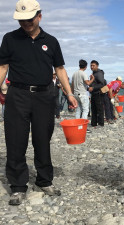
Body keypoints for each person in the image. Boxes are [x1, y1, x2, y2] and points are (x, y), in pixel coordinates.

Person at [0, 0, 77, 205]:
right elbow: (3, 67)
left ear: (39, 16)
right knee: (16, 140)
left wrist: (69, 94)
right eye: (22, 20)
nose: (26, 23)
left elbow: (59, 69)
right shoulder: (9, 38)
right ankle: (17, 186)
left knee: (43, 139)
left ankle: (44, 180)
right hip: (17, 94)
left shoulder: (51, 41)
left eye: (30, 19)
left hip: (45, 96)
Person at [71, 59, 94, 125]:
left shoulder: (74, 73)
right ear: (86, 67)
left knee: (78, 110)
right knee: (85, 110)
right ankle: (83, 125)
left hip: (75, 94)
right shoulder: (83, 73)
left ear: (79, 65)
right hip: (82, 94)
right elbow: (88, 83)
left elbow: (72, 85)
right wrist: (92, 79)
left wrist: (72, 94)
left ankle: (77, 124)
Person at [88, 60, 105, 127]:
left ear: (97, 66)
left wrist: (93, 88)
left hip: (98, 94)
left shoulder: (99, 73)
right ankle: (93, 123)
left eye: (93, 65)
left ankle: (101, 124)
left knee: (99, 109)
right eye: (91, 65)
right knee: (93, 109)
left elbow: (102, 84)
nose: (92, 67)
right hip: (93, 94)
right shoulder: (94, 73)